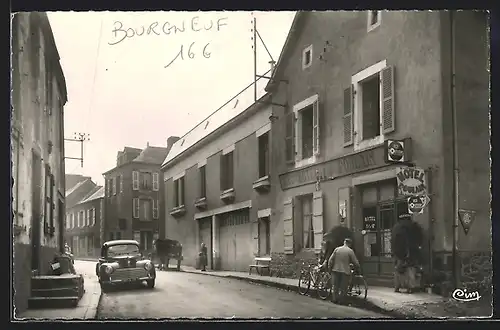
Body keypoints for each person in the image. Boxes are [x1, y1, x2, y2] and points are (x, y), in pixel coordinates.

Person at [327, 238, 360, 304]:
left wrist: (329, 268)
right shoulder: (350, 251)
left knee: (335, 286)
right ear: (349, 244)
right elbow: (355, 262)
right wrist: (358, 268)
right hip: (345, 271)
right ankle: (342, 301)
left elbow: (330, 260)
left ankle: (335, 299)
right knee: (343, 287)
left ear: (344, 242)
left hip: (335, 270)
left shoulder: (337, 249)